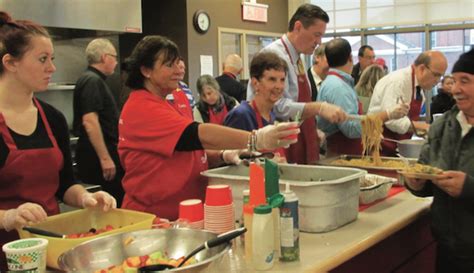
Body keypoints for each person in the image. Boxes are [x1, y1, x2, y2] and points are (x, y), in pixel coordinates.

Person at [118, 35, 299, 220]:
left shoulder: (174, 99)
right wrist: (256, 138)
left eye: (178, 63)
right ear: (146, 70)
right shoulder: (142, 106)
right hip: (156, 214)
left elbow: (185, 149)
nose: (178, 70)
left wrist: (221, 155)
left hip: (187, 210)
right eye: (169, 65)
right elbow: (198, 134)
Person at [0, 12, 116, 270]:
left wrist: (86, 198)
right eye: (43, 59)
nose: (52, 67)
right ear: (10, 63)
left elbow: (65, 185)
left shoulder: (52, 118)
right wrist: (8, 217)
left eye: (51, 58)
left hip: (48, 250)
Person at [246, 3, 347, 165]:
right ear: (298, 27)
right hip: (279, 146)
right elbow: (276, 107)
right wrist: (319, 107)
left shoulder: (297, 58)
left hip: (298, 140)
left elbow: (297, 103)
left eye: (321, 36)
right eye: (316, 35)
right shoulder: (273, 55)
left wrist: (312, 129)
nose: (318, 42)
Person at [404, 49, 474, 273]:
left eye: (466, 81)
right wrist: (417, 183)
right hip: (448, 250)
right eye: (454, 81)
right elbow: (427, 174)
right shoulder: (442, 126)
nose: (456, 89)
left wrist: (469, 188)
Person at [317, 38, 408, 156]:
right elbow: (351, 128)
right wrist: (387, 115)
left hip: (345, 152)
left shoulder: (336, 82)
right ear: (351, 57)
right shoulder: (338, 87)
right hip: (341, 155)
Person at [73, 38, 125, 206]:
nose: (116, 62)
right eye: (114, 57)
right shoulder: (92, 81)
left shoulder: (93, 79)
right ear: (104, 57)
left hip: (99, 153)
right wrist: (105, 158)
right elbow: (90, 121)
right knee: (109, 205)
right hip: (97, 157)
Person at [368, 50, 448, 156]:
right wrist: (420, 126)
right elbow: (391, 121)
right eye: (436, 75)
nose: (438, 80)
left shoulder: (418, 86)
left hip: (398, 147)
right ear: (422, 68)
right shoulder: (398, 82)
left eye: (441, 76)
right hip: (380, 147)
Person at [224, 52, 288, 163]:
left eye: (282, 80)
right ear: (255, 83)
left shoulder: (272, 115)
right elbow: (231, 163)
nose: (279, 86)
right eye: (272, 79)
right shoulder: (241, 115)